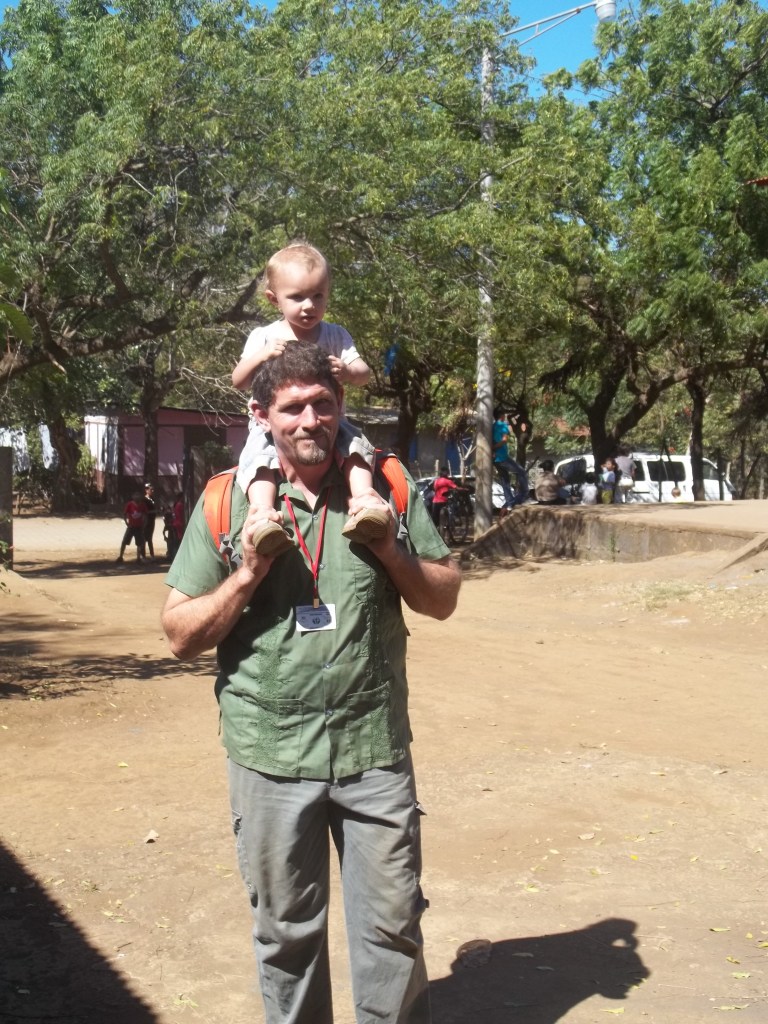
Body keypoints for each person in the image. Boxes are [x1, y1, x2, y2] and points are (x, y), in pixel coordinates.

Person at [162, 342, 461, 1024]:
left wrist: (390, 550)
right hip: (270, 756)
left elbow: (442, 597)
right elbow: (179, 634)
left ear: (341, 410)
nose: (309, 420)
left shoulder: (384, 487)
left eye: (323, 405)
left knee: (393, 931)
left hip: (373, 753)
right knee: (286, 939)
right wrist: (245, 576)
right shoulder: (226, 502)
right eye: (292, 407)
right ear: (263, 417)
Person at [232, 241, 390, 555]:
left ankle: (364, 501)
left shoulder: (335, 335)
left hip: (332, 426)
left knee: (356, 446)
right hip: (271, 432)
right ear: (274, 299)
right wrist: (261, 356)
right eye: (297, 297)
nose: (309, 306)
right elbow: (239, 380)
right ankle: (263, 515)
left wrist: (346, 370)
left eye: (318, 296)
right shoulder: (264, 337)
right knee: (259, 460)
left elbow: (364, 373)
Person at [492, 408, 529, 508]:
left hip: (495, 460)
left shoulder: (492, 426)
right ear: (501, 415)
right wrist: (494, 448)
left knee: (505, 479)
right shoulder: (503, 425)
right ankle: (524, 494)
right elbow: (504, 440)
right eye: (504, 415)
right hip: (502, 457)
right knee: (521, 472)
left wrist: (492, 449)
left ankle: (509, 500)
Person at [116, 490, 146, 563]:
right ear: (133, 497)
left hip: (139, 527)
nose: (137, 497)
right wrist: (127, 523)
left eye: (138, 496)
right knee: (124, 541)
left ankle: (138, 558)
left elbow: (145, 515)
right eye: (135, 496)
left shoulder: (142, 505)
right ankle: (120, 556)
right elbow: (125, 514)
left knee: (139, 543)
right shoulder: (129, 504)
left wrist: (144, 524)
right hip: (131, 526)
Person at [143, 483, 157, 559]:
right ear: (146, 490)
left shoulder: (152, 499)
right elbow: (145, 511)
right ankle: (143, 556)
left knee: (150, 538)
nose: (152, 490)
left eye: (153, 489)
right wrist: (153, 511)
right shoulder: (145, 500)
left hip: (152, 521)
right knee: (145, 538)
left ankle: (152, 555)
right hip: (146, 521)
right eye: (151, 489)